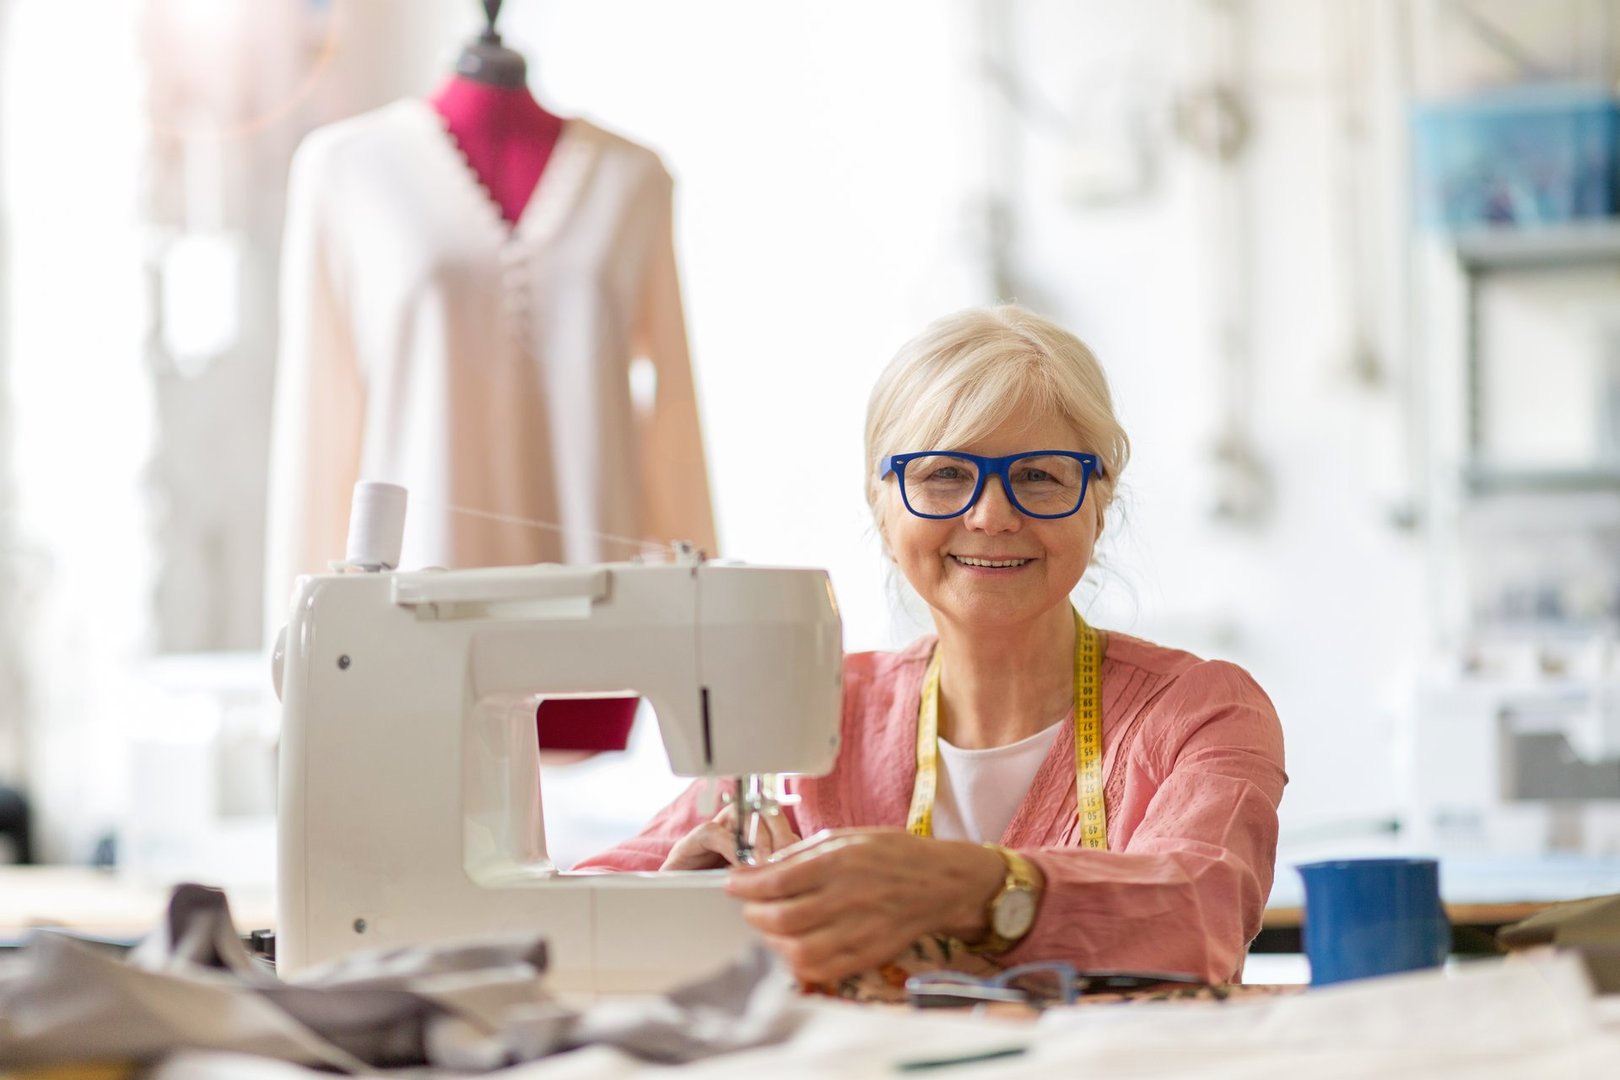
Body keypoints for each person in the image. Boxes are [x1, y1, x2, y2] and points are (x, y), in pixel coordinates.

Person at [575, 305, 1286, 988]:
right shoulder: (814, 707)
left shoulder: (1203, 713)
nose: (991, 515)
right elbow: (580, 907)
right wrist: (681, 901)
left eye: (1038, 475)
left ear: (1100, 505)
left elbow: (1198, 916)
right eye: (944, 475)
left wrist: (972, 890)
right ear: (882, 509)